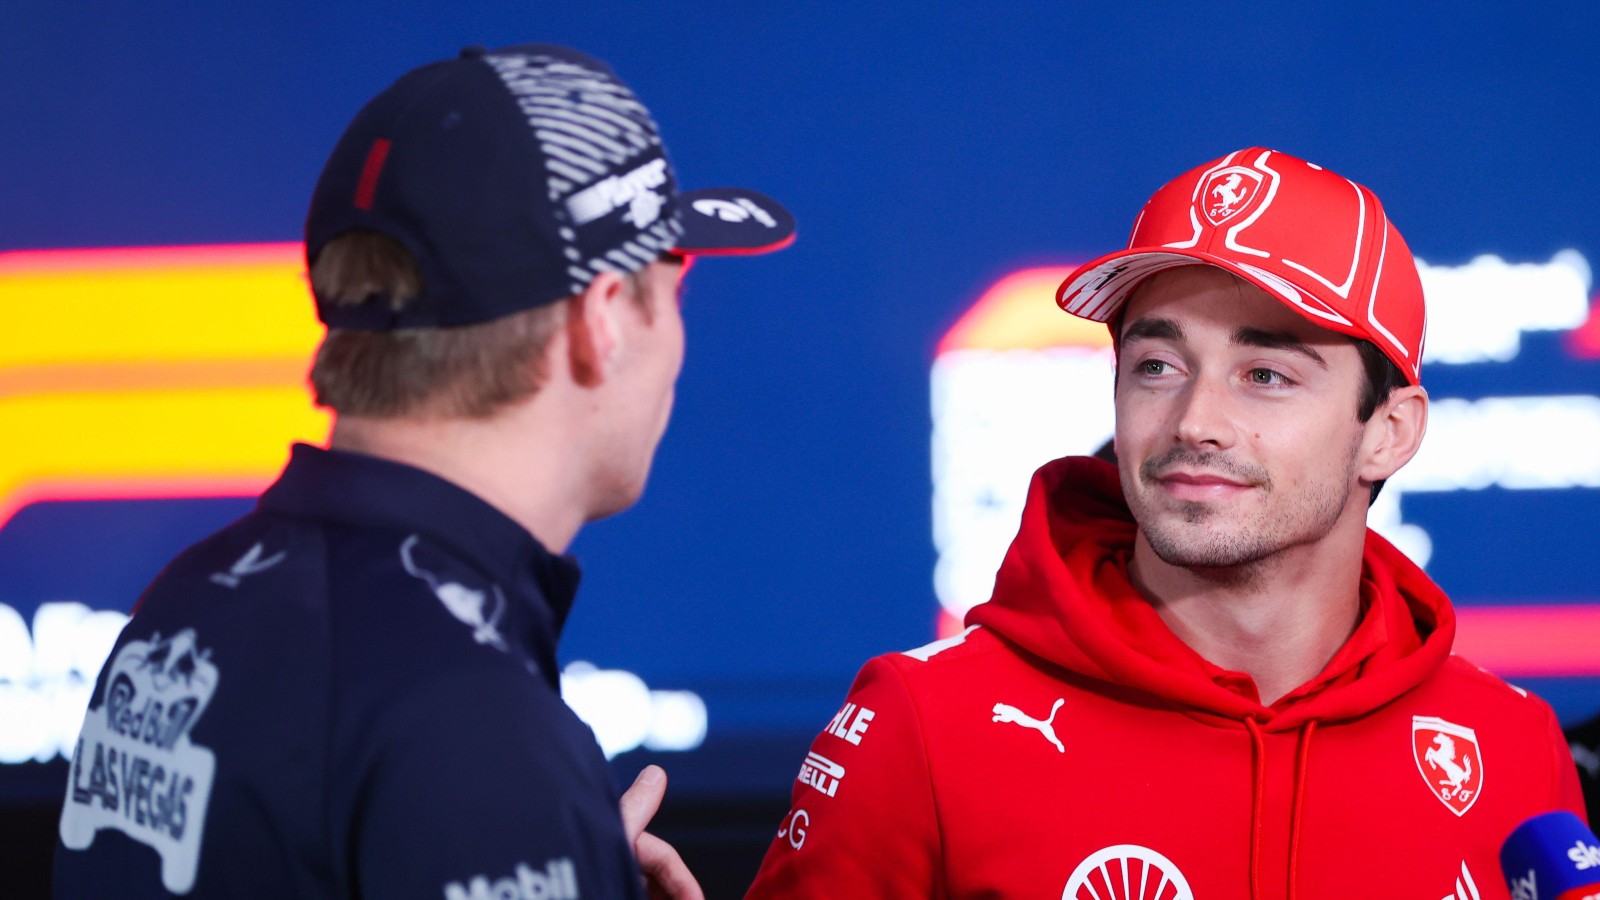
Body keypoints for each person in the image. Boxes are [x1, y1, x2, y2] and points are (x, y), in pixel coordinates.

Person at [53, 43, 793, 899]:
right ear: (602, 323)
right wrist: (525, 830)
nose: (679, 347)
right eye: (673, 292)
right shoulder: (474, 729)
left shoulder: (185, 601)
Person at [746, 148, 1584, 898]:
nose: (1194, 420)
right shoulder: (922, 725)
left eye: (1265, 374)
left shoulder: (1513, 747)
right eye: (1157, 365)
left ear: (1389, 432)